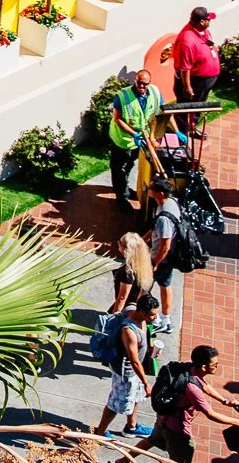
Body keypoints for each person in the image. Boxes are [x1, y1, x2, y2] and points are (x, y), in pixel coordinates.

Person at [150, 344, 239, 463]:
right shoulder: (193, 389)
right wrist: (238, 422)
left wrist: (224, 401)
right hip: (177, 429)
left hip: (164, 417)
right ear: (204, 367)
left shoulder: (190, 368)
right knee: (183, 456)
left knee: (152, 441)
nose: (217, 367)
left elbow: (204, 385)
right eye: (215, 365)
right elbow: (210, 414)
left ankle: (123, 461)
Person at [94, 291, 158, 438]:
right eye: (152, 315)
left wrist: (151, 348)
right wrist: (146, 382)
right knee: (115, 403)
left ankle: (131, 427)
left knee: (136, 397)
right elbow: (134, 360)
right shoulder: (129, 331)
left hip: (137, 372)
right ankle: (100, 433)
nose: (155, 319)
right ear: (141, 312)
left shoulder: (135, 312)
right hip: (126, 373)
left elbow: (144, 339)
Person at [108, 69, 165, 205]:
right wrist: (134, 134)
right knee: (120, 169)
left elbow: (164, 111)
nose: (141, 87)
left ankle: (125, 189)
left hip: (140, 139)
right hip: (122, 140)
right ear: (135, 80)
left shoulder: (155, 92)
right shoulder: (123, 96)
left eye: (145, 84)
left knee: (129, 165)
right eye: (139, 83)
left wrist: (176, 131)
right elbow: (118, 119)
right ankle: (121, 198)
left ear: (149, 83)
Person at [145, 175, 184, 332]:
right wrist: (144, 238)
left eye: (151, 189)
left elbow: (165, 245)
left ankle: (155, 319)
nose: (148, 190)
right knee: (165, 285)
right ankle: (166, 319)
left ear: (160, 194)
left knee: (143, 288)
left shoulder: (164, 219)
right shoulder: (172, 202)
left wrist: (154, 262)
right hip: (168, 259)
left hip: (162, 260)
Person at [172, 7, 220, 103]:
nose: (210, 21)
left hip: (204, 81)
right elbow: (184, 68)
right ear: (202, 22)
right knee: (189, 110)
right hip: (195, 82)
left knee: (198, 108)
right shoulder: (187, 41)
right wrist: (187, 87)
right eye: (208, 19)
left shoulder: (203, 30)